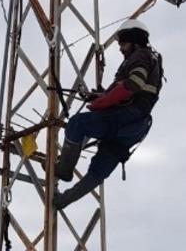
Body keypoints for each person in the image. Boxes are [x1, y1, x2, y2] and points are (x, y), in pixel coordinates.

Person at [54, 18, 163, 210]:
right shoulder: (151, 59)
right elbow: (133, 89)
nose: (120, 48)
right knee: (99, 171)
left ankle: (64, 171)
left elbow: (134, 84)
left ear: (134, 40)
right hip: (135, 128)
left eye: (123, 43)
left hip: (126, 117)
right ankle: (62, 201)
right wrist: (101, 96)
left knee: (77, 124)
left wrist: (102, 102)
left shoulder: (140, 56)